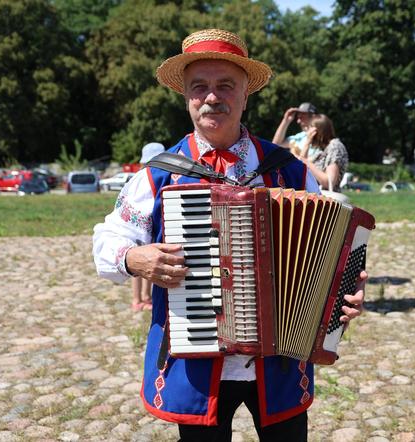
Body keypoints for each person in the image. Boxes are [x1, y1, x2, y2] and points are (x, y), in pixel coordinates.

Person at [92, 29, 367, 441]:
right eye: (199, 87)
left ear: (244, 95)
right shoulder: (160, 173)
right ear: (186, 96)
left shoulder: (289, 171)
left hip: (278, 360)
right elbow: (108, 240)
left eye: (225, 86)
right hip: (197, 364)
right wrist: (136, 259)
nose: (211, 97)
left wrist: (340, 297)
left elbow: (333, 246)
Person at [130, 142, 166, 312]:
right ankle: (137, 299)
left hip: (153, 226)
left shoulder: (161, 178)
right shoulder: (140, 180)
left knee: (151, 261)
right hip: (140, 227)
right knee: (137, 265)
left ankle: (146, 296)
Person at [298, 114, 348, 192]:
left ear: (318, 131)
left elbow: (329, 182)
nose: (307, 132)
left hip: (327, 201)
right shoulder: (323, 151)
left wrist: (307, 162)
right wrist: (307, 142)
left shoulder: (335, 147)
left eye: (310, 128)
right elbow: (300, 164)